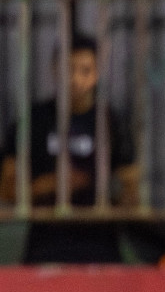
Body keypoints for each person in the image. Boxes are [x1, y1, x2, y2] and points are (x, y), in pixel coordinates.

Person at [1, 34, 138, 263]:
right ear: (55, 70)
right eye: (69, 69)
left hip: (101, 248)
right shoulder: (33, 121)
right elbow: (7, 189)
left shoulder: (112, 122)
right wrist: (50, 184)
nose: (76, 79)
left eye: (85, 71)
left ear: (98, 72)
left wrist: (109, 191)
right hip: (45, 247)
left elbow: (131, 189)